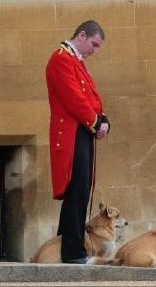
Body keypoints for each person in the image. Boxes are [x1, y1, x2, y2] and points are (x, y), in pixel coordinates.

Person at [46, 20, 110, 264]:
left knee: (80, 190)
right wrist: (95, 123)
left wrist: (103, 120)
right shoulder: (61, 58)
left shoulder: (77, 62)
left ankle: (66, 247)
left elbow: (91, 98)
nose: (94, 50)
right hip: (72, 132)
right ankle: (72, 251)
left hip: (82, 130)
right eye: (93, 44)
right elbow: (74, 99)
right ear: (82, 36)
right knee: (76, 191)